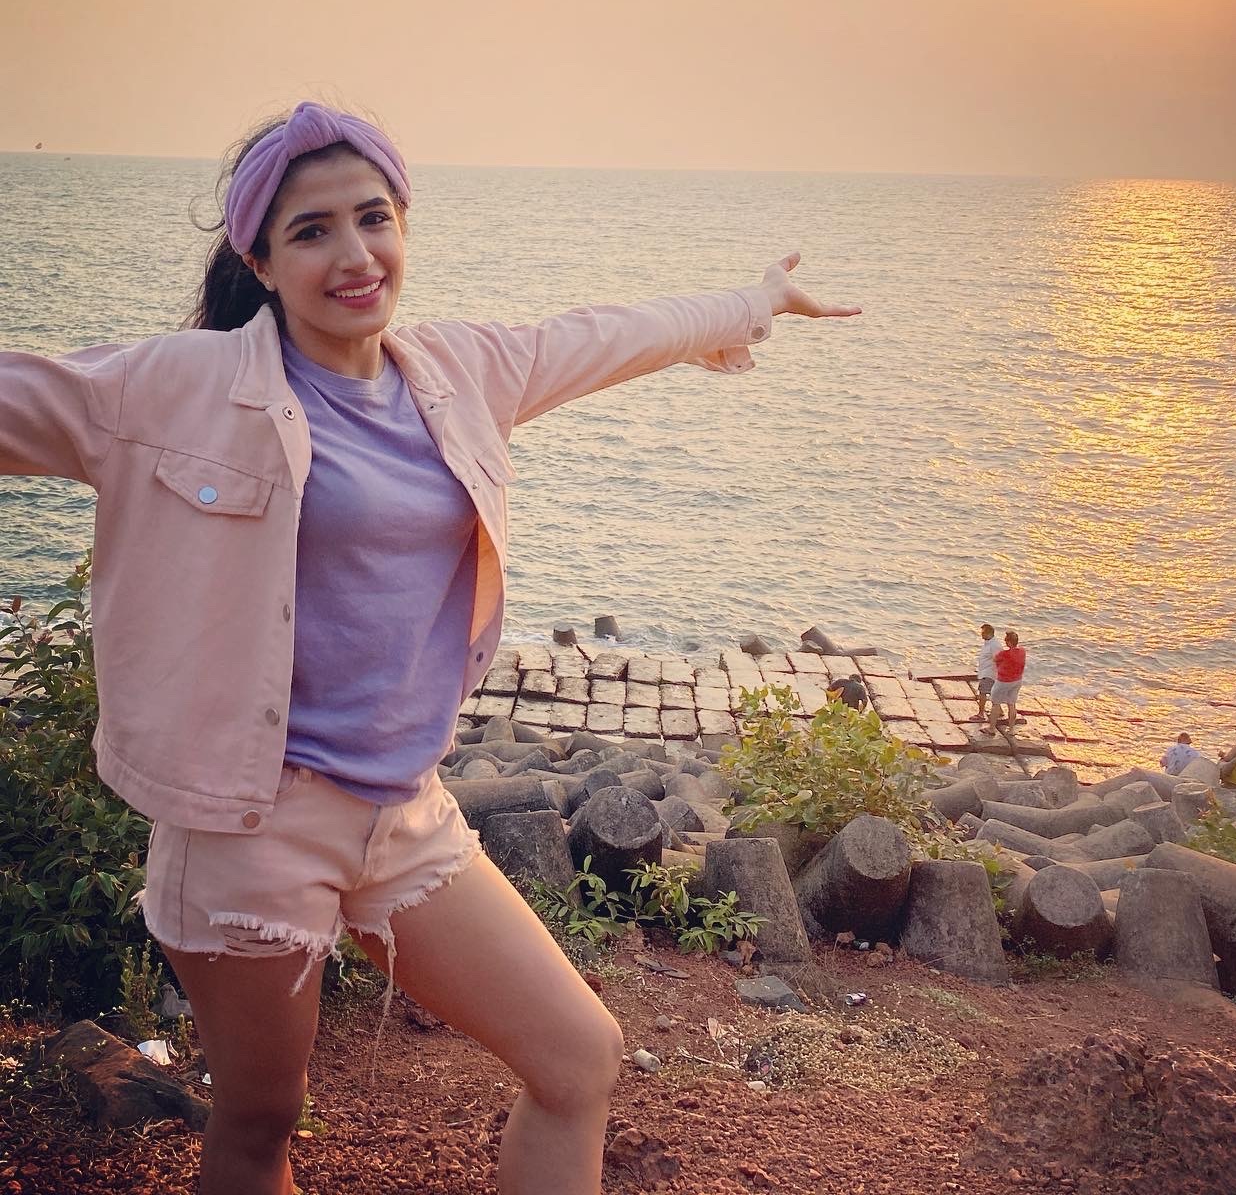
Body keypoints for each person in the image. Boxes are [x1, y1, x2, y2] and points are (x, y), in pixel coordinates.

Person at [0, 101, 861, 1195]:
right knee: (262, 1119)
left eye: (374, 218)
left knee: (578, 1059)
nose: (355, 256)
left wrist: (752, 300)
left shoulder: (459, 372)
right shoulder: (176, 388)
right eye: (312, 231)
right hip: (252, 825)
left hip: (405, 814)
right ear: (259, 262)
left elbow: (606, 333)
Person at [989, 628, 1026, 735]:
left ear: (1009, 642)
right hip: (1017, 680)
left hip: (1003, 681)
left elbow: (995, 659)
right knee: (1011, 704)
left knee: (996, 703)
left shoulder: (1004, 653)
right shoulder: (1022, 651)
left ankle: (992, 729)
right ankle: (1011, 729)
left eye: (1006, 641)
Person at [975, 622, 1001, 730]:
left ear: (989, 633)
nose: (981, 635)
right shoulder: (988, 643)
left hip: (989, 673)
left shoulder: (995, 645)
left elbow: (998, 659)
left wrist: (997, 672)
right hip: (985, 671)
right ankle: (999, 711)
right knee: (992, 692)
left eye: (983, 633)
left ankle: (981, 714)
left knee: (983, 692)